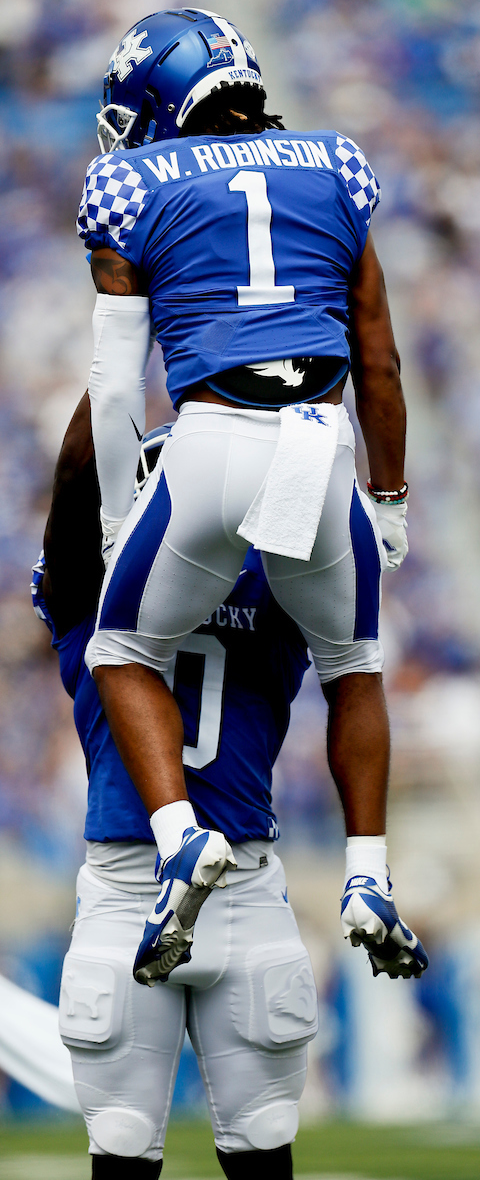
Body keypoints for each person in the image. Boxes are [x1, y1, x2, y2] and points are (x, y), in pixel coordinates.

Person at [77, 8, 427, 987]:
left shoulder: (128, 182)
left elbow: (114, 385)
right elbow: (379, 359)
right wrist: (387, 498)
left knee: (122, 648)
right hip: (321, 441)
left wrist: (116, 515)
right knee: (353, 664)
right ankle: (367, 877)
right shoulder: (338, 166)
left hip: (210, 439)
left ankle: (181, 839)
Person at [34, 394, 320, 1178]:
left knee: (133, 1144)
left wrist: (121, 351)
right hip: (223, 881)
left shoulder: (98, 596)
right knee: (253, 1143)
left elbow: (72, 478)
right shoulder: (280, 587)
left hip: (147, 886)